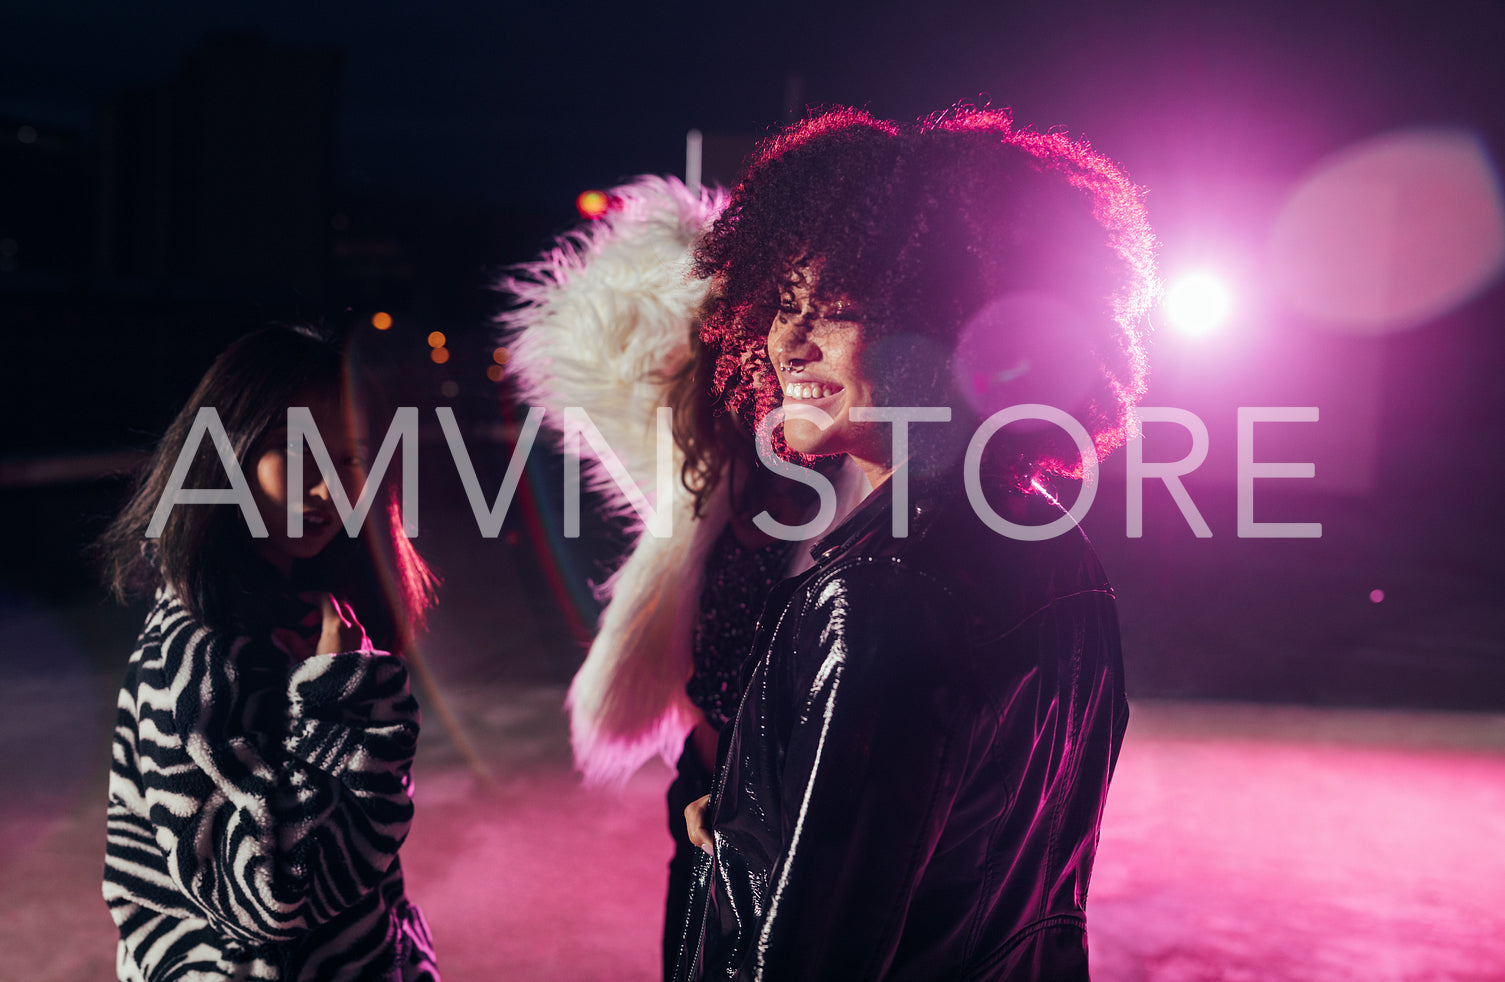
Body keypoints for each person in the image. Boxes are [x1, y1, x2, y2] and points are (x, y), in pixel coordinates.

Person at [673, 105, 1158, 980]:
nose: (790, 341)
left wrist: (743, 867)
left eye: (843, 310)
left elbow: (816, 949)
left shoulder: (882, 597)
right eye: (783, 304)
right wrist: (753, 824)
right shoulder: (1056, 545)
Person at [501, 176, 868, 978]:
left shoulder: (851, 484)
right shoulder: (701, 476)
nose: (755, 373)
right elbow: (602, 333)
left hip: (798, 807)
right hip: (701, 787)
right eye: (735, 351)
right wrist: (707, 268)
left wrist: (763, 799)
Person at [96, 326, 441, 981]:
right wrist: (345, 695)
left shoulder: (292, 607)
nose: (330, 489)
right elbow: (270, 898)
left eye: (351, 458)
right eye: (299, 453)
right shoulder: (201, 650)